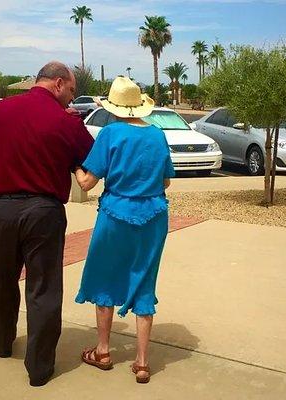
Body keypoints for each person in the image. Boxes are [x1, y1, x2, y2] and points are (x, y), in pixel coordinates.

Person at [0, 61, 94, 387]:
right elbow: (93, 159)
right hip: (44, 213)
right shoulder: (64, 121)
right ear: (58, 83)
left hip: (0, 211)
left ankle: (3, 344)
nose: (72, 100)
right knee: (43, 288)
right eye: (71, 91)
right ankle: (39, 369)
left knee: (0, 279)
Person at [74, 76, 175, 384]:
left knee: (105, 276)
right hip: (153, 215)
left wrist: (73, 164)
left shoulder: (110, 133)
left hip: (116, 214)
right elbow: (166, 181)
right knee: (145, 279)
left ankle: (103, 351)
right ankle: (142, 362)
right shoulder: (158, 135)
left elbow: (86, 183)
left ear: (114, 106)